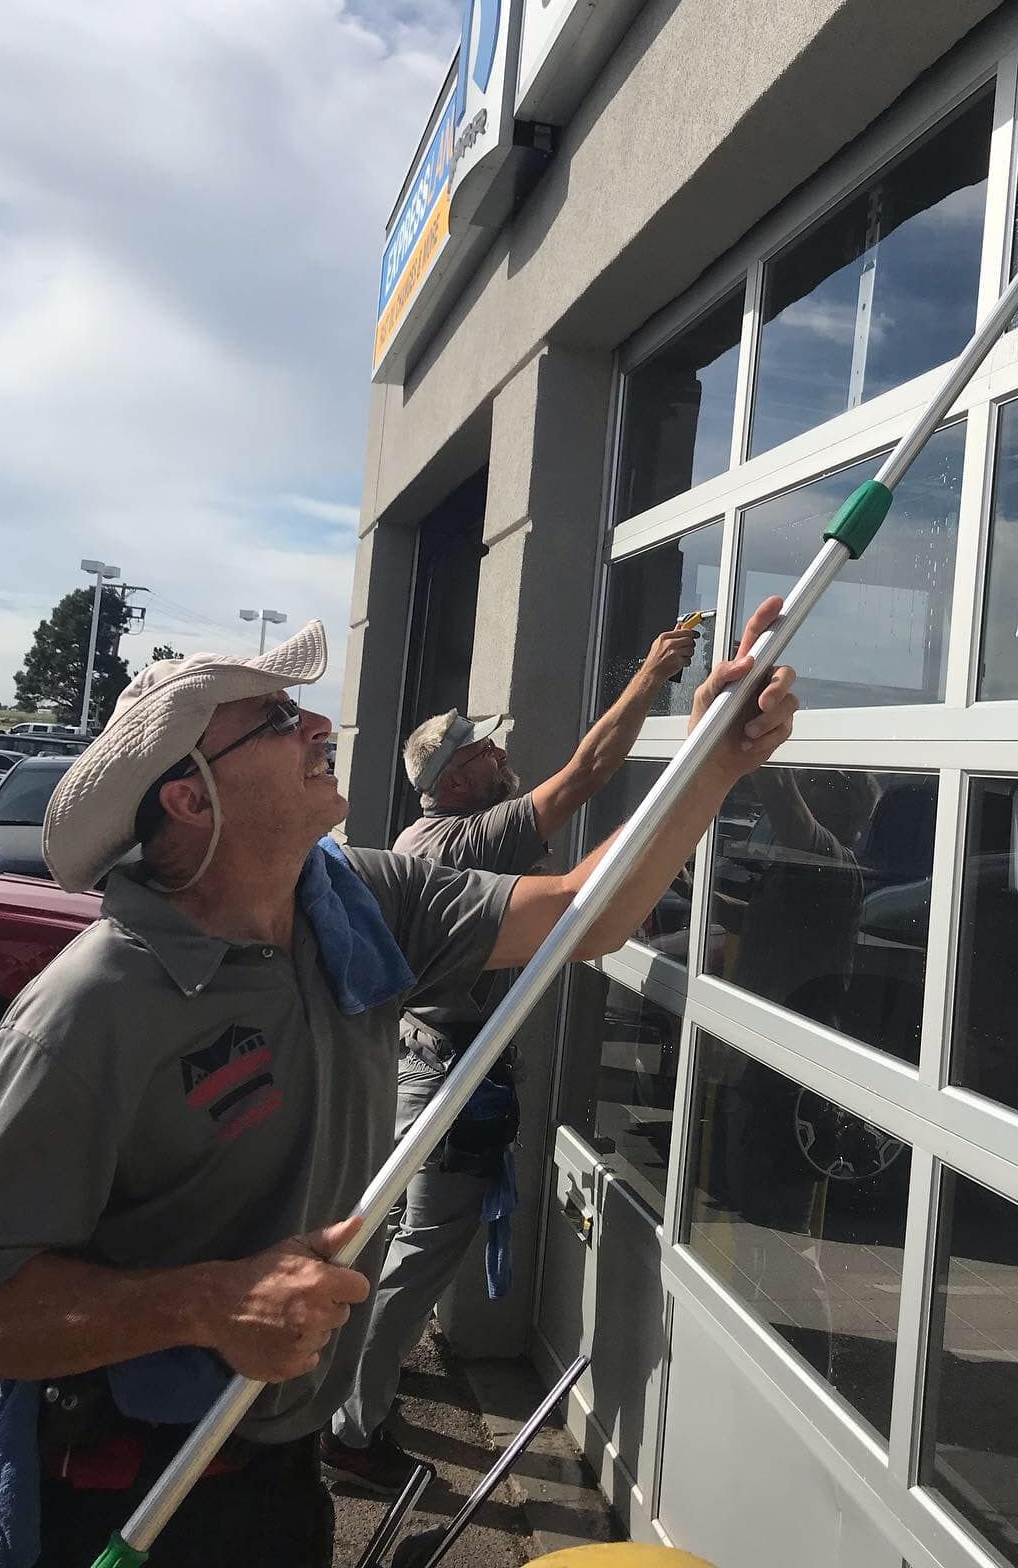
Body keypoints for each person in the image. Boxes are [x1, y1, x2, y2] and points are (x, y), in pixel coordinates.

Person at [0, 606, 795, 1568]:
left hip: (276, 1470)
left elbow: (581, 915)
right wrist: (201, 1306)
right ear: (189, 800)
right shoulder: (88, 1013)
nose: (318, 727)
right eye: (275, 718)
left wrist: (717, 761)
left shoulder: (356, 904)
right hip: (129, 1489)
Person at [329, 628, 698, 1487]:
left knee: (390, 1236)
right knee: (424, 1247)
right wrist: (653, 677)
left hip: (414, 1064)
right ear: (456, 781)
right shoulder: (468, 841)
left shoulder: (424, 844)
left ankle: (349, 1389)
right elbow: (588, 773)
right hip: (445, 1075)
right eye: (487, 749)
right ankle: (351, 1430)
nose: (503, 754)